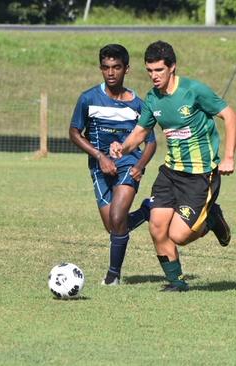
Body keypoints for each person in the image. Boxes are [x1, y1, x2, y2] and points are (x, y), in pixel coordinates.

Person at [110, 40, 236, 292]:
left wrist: (229, 157)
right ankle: (176, 282)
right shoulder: (152, 99)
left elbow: (230, 115)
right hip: (170, 173)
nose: (154, 76)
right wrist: (122, 147)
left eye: (159, 70)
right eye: (149, 70)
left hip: (200, 176)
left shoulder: (193, 91)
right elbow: (140, 131)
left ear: (172, 67)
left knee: (179, 235)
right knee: (157, 226)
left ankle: (213, 219)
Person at [69, 44, 157, 286]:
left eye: (116, 67)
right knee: (114, 226)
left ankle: (112, 276)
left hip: (128, 165)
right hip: (99, 168)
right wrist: (99, 156)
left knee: (118, 217)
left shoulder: (139, 105)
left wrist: (139, 165)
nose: (111, 73)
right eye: (106, 67)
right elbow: (75, 132)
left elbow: (150, 143)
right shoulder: (88, 98)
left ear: (126, 69)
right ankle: (146, 211)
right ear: (101, 68)